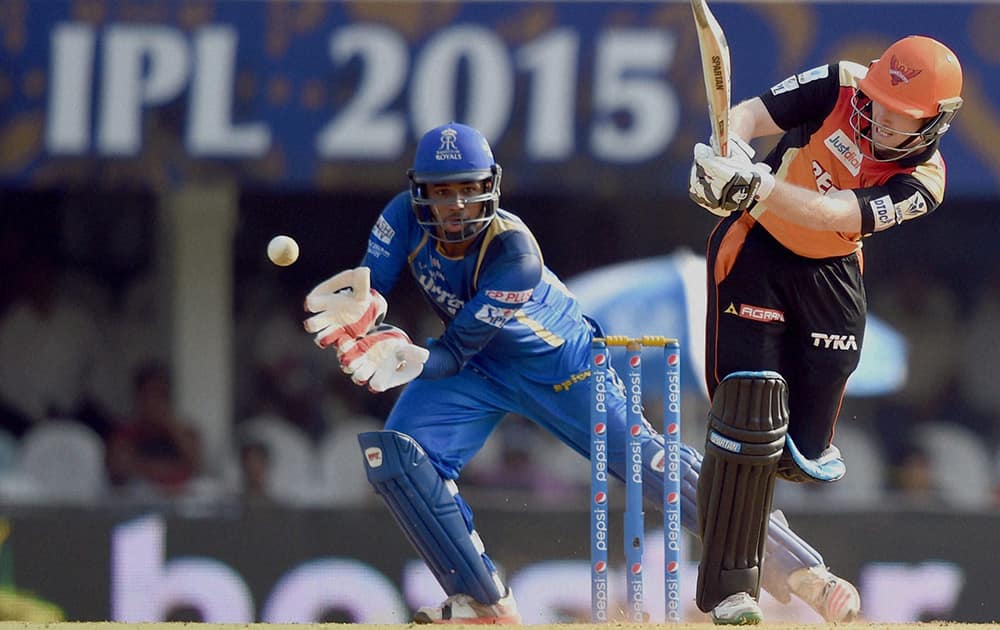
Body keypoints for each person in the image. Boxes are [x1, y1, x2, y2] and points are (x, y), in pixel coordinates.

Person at [304, 122, 860, 624]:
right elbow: (370, 281)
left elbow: (456, 347)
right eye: (441, 192)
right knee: (397, 454)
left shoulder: (515, 253)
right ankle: (482, 603)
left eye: (467, 189)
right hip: (481, 366)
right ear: (419, 191)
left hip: (562, 367)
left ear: (490, 185)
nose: (454, 206)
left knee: (653, 470)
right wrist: (364, 309)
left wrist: (413, 358)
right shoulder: (402, 214)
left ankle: (801, 571)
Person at [687, 35, 962, 623]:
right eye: (880, 98)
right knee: (747, 410)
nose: (880, 114)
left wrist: (755, 185)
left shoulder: (925, 180)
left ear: (933, 121)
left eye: (900, 112)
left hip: (832, 268)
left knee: (801, 452)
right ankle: (731, 592)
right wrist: (725, 155)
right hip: (757, 249)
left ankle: (761, 507)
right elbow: (749, 115)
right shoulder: (843, 82)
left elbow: (837, 213)